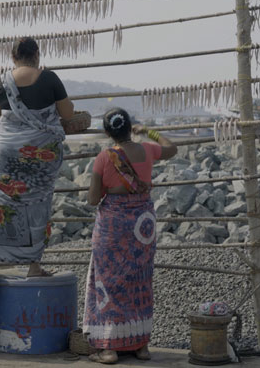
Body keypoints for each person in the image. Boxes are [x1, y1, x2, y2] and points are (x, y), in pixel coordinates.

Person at [83, 108, 177, 364]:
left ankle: (109, 348)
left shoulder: (104, 157)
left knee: (109, 281)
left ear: (106, 132)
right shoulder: (148, 149)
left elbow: (93, 199)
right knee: (139, 278)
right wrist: (149, 132)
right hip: (142, 224)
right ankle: (141, 345)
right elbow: (172, 148)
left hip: (113, 224)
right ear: (130, 127)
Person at [0, 36, 74, 277]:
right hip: (38, 153)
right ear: (37, 55)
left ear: (13, 57)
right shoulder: (49, 78)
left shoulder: (0, 82)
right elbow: (68, 113)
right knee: (37, 204)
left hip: (5, 152)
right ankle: (33, 266)